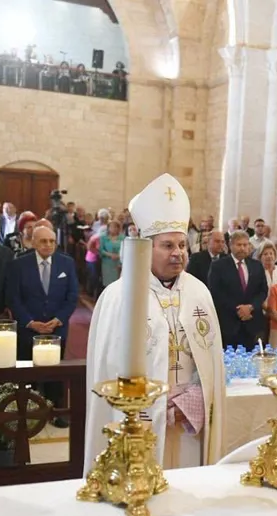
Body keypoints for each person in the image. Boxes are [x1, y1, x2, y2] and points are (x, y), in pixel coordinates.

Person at [84, 174, 227, 472]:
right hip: (141, 424)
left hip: (189, 426)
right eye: (168, 245)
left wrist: (193, 400)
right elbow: (110, 369)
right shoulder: (119, 296)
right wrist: (158, 407)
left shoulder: (199, 292)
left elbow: (211, 364)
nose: (178, 253)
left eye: (182, 245)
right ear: (147, 248)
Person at [6, 226, 79, 419]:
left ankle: (57, 412)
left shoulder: (67, 263)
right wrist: (30, 322)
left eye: (52, 241)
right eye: (43, 241)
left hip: (57, 328)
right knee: (28, 373)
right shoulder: (18, 265)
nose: (48, 245)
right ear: (33, 242)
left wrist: (58, 319)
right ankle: (28, 413)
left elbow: (72, 296)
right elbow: (13, 298)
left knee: (55, 373)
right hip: (29, 329)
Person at [208, 230, 269, 350]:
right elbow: (216, 292)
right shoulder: (218, 266)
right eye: (239, 245)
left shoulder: (257, 266)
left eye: (245, 245)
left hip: (252, 322)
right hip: (229, 323)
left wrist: (250, 307)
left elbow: (263, 291)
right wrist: (239, 310)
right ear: (230, 246)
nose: (242, 248)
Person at [99, 219, 125, 286]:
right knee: (108, 282)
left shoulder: (123, 237)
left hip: (119, 262)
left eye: (116, 227)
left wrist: (119, 256)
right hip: (107, 262)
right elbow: (101, 250)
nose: (113, 228)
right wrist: (111, 255)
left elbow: (125, 249)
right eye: (111, 227)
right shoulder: (103, 237)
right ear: (108, 228)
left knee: (118, 283)